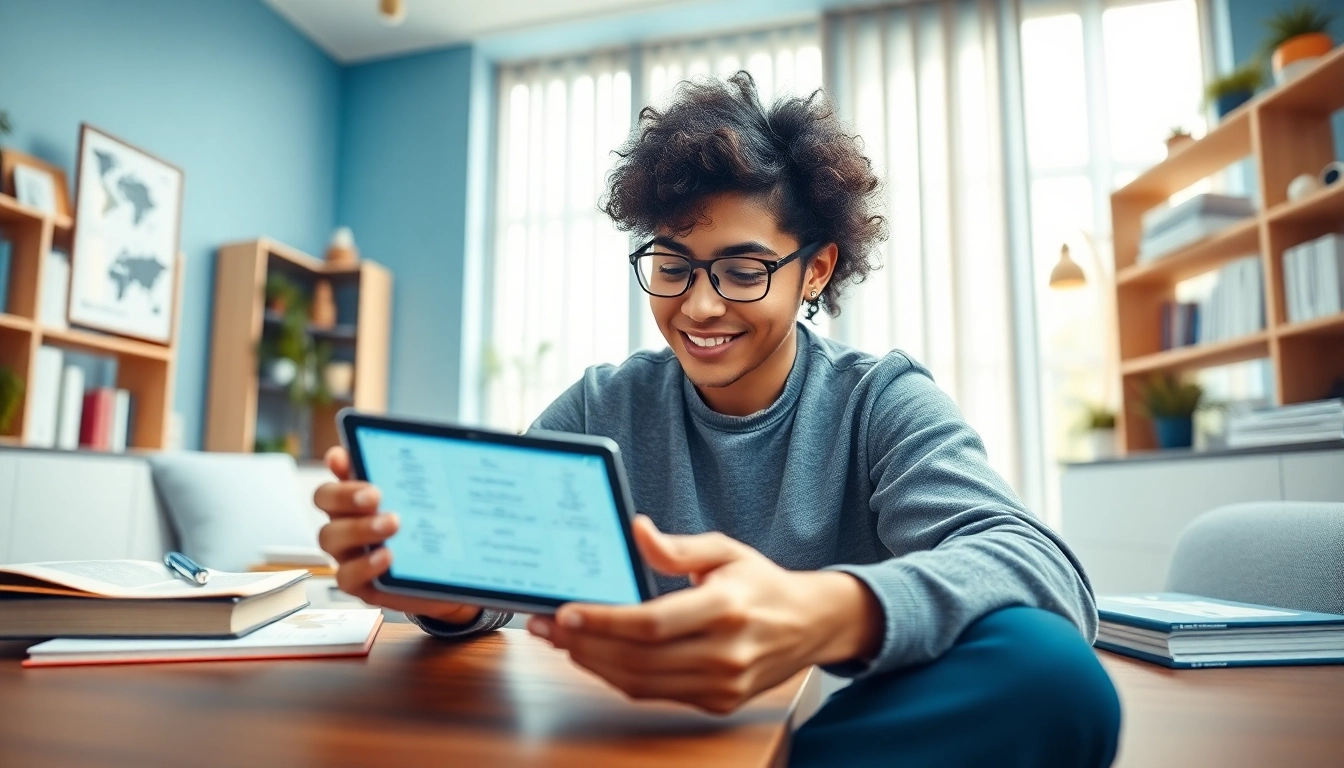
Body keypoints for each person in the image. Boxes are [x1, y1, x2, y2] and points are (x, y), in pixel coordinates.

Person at [314, 72, 1121, 767]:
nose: (699, 306)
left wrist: (819, 615)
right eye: (672, 266)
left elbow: (1042, 574)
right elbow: (502, 582)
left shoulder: (880, 401)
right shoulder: (604, 404)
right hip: (620, 737)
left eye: (742, 270)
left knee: (1054, 673)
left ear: (816, 270)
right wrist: (438, 582)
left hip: (823, 734)